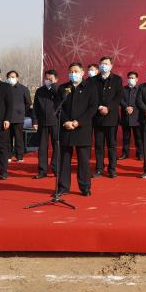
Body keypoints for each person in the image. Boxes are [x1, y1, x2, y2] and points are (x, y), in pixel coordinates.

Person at [55, 62, 98, 197]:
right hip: (66, 128)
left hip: (82, 128)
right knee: (64, 159)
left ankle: (85, 187)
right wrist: (66, 122)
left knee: (83, 160)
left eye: (76, 71)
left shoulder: (90, 87)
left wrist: (78, 122)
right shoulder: (63, 88)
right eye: (71, 71)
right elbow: (58, 107)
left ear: (82, 72)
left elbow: (92, 108)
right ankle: (63, 187)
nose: (73, 74)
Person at [92, 56, 123, 179]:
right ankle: (99, 168)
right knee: (99, 145)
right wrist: (99, 107)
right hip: (97, 117)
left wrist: (108, 108)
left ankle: (112, 169)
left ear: (111, 66)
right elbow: (90, 97)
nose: (104, 65)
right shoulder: (93, 80)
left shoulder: (117, 80)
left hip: (111, 118)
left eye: (106, 63)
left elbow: (118, 97)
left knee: (111, 145)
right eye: (102, 63)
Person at [31, 70, 60, 179]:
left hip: (56, 122)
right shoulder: (40, 91)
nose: (48, 81)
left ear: (56, 79)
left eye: (50, 79)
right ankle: (42, 170)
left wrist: (53, 87)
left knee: (57, 146)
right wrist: (35, 121)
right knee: (42, 147)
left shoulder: (59, 90)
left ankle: (56, 168)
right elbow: (35, 107)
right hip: (42, 122)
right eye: (46, 79)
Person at [5, 70, 31, 162]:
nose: (11, 79)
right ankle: (8, 155)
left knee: (19, 138)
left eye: (13, 77)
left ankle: (19, 156)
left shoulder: (23, 89)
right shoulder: (5, 89)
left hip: (18, 118)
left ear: (17, 78)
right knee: (7, 138)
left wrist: (21, 111)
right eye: (9, 77)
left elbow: (28, 103)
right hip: (6, 118)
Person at [119, 71, 142, 160]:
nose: (130, 79)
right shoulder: (123, 89)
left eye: (132, 78)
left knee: (138, 137)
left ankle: (140, 154)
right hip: (126, 116)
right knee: (126, 137)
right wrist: (126, 107)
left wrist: (133, 108)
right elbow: (120, 100)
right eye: (129, 78)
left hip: (137, 117)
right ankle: (125, 153)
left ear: (137, 79)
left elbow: (141, 100)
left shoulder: (140, 89)